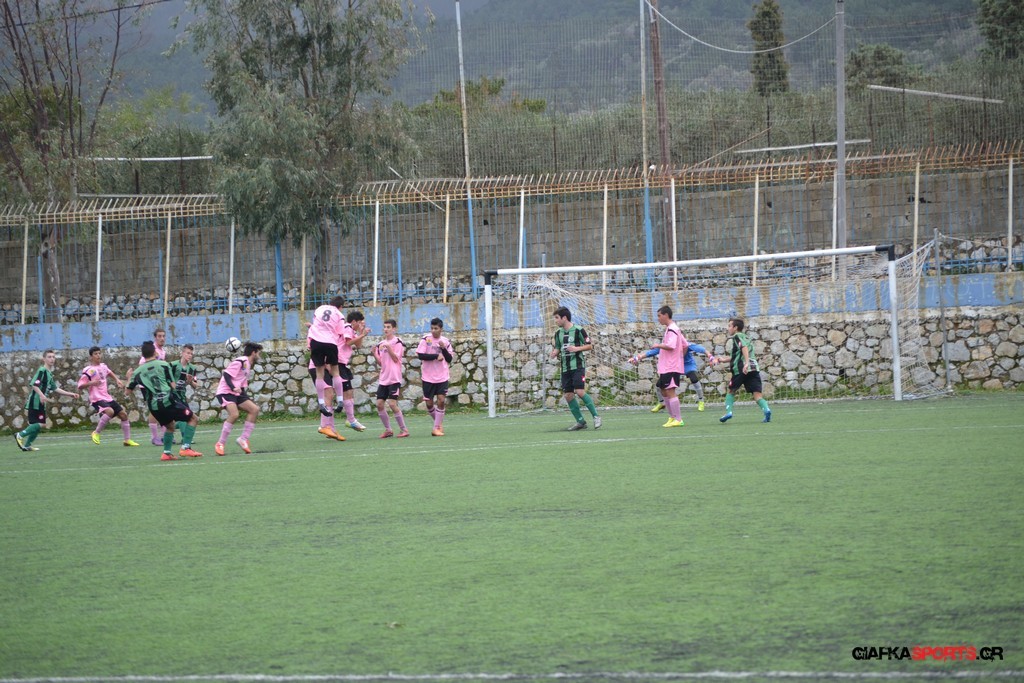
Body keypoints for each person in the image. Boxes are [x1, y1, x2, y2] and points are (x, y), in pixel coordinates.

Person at [126, 341, 201, 461]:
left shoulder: (137, 372)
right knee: (193, 419)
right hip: (168, 401)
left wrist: (129, 377)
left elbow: (127, 392)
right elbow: (173, 386)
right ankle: (186, 448)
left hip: (154, 406)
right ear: (155, 352)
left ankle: (166, 453)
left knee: (170, 426)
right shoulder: (164, 365)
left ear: (143, 355)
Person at [633, 305, 688, 428]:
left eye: (659, 316)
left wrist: (659, 345)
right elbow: (685, 345)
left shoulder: (673, 329)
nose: (658, 318)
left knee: (670, 391)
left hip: (671, 366)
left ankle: (678, 419)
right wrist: (679, 357)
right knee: (662, 389)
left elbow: (671, 346)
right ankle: (672, 417)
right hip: (668, 366)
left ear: (666, 315)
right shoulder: (672, 329)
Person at [14, 349, 79, 452]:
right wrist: (41, 395)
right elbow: (34, 385)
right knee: (41, 424)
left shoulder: (49, 374)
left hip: (40, 403)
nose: (52, 359)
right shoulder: (42, 371)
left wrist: (70, 394)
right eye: (49, 357)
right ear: (44, 359)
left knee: (36, 425)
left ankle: (27, 445)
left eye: (53, 357)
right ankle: (20, 435)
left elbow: (55, 388)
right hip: (36, 402)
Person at [548, 306, 601, 431]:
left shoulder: (578, 330)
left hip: (577, 366)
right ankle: (580, 421)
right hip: (565, 368)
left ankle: (596, 416)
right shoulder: (558, 333)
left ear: (564, 318)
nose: (555, 321)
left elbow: (589, 346)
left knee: (580, 391)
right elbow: (558, 347)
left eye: (557, 318)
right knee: (568, 395)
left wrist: (576, 348)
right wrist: (554, 353)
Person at [78, 346, 139, 447]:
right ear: (91, 357)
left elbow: (109, 372)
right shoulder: (89, 370)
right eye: (95, 354)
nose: (98, 355)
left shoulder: (103, 366)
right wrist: (91, 383)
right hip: (96, 398)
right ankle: (96, 433)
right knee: (110, 411)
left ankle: (127, 440)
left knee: (123, 415)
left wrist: (117, 380)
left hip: (106, 397)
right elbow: (80, 386)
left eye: (99, 353)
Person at [719, 317, 772, 424]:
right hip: (754, 368)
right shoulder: (747, 337)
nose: (728, 328)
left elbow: (744, 348)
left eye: (729, 326)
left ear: (735, 328)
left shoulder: (736, 337)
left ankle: (729, 412)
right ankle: (766, 410)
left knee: (731, 391)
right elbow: (741, 353)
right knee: (757, 394)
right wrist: (724, 359)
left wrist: (746, 363)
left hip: (741, 369)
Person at [214, 341, 263, 455]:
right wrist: (233, 387)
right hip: (226, 392)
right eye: (258, 353)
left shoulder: (248, 364)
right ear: (253, 353)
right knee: (234, 414)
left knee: (254, 409)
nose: (259, 356)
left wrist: (244, 396)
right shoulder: (241, 361)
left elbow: (241, 383)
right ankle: (220, 443)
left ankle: (243, 439)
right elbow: (226, 375)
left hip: (237, 393)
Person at [307, 296, 349, 417]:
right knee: (335, 372)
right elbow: (340, 332)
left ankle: (321, 402)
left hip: (316, 341)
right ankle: (340, 401)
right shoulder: (339, 314)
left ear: (330, 303)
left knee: (319, 373)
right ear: (341, 306)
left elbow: (315, 322)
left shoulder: (319, 309)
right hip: (330, 342)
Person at [127, 327, 169, 445]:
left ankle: (165, 435)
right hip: (148, 386)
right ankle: (154, 437)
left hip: (158, 384)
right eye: (159, 336)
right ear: (155, 337)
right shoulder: (151, 350)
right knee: (154, 409)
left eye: (163, 336)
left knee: (163, 408)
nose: (162, 338)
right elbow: (142, 364)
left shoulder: (162, 351)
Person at [646, 341, 715, 413]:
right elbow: (654, 351)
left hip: (687, 365)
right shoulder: (668, 345)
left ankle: (701, 400)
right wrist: (640, 357)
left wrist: (709, 355)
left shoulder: (685, 344)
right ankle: (661, 403)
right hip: (675, 366)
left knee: (694, 378)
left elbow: (701, 349)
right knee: (659, 384)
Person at [416, 317, 454, 437]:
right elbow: (420, 355)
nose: (433, 331)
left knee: (441, 400)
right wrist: (435, 356)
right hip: (428, 377)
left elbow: (449, 359)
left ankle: (436, 428)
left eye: (436, 328)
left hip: (442, 376)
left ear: (441, 329)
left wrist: (443, 349)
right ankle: (438, 424)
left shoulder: (445, 341)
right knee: (429, 404)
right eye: (432, 328)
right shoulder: (426, 339)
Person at [372, 319, 409, 438]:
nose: (386, 329)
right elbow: (381, 363)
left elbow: (396, 359)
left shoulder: (398, 342)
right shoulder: (381, 344)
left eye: (388, 327)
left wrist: (389, 348)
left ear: (394, 329)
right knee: (379, 404)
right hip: (384, 378)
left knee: (392, 404)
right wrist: (374, 354)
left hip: (394, 378)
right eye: (385, 327)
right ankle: (388, 430)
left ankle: (404, 430)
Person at [337, 310, 370, 432]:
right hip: (338, 362)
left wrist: (361, 333)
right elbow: (348, 342)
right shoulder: (347, 327)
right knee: (346, 392)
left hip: (342, 363)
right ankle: (350, 420)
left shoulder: (352, 331)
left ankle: (350, 419)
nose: (361, 324)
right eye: (360, 322)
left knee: (349, 391)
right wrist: (362, 334)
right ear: (354, 321)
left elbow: (358, 345)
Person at [169, 344, 203, 456]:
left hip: (182, 398)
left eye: (191, 354)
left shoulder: (192, 368)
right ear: (182, 353)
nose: (190, 355)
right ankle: (185, 447)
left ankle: (183, 447)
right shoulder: (173, 365)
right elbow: (166, 379)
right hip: (172, 397)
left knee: (187, 419)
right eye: (188, 353)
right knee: (191, 418)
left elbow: (196, 385)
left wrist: (190, 381)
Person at [309, 357, 345, 441]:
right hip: (318, 367)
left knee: (330, 396)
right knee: (328, 394)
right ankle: (324, 426)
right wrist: (329, 366)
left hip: (324, 368)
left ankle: (331, 429)